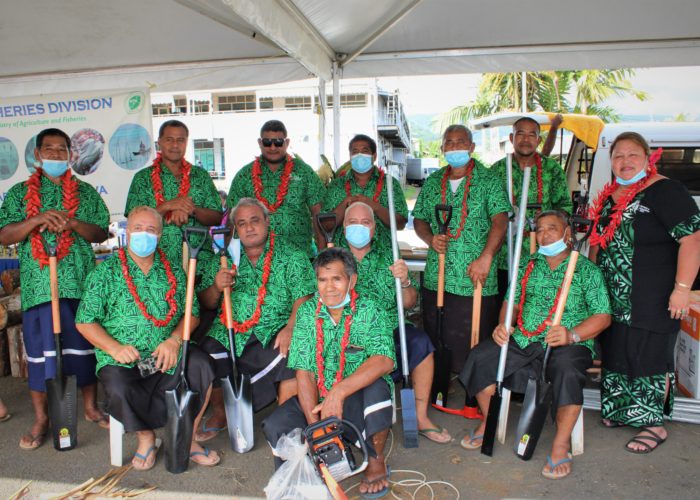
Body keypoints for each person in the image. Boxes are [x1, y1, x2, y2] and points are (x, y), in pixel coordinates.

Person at [459, 210, 612, 479]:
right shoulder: (527, 265)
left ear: (568, 233)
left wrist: (572, 335)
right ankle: (488, 420)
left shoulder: (587, 270)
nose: (543, 235)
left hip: (568, 343)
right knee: (480, 358)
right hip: (525, 337)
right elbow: (512, 303)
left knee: (567, 371)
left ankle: (561, 444)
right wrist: (504, 325)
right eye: (539, 230)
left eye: (551, 228)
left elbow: (603, 316)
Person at [76, 206, 219, 470]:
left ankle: (187, 437)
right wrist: (115, 348)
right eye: (138, 229)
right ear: (127, 232)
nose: (144, 235)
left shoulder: (174, 273)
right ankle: (146, 438)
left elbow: (193, 314)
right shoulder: (104, 273)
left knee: (202, 365)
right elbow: (85, 321)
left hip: (167, 353)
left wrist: (174, 340)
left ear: (161, 236)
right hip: (123, 357)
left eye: (151, 230)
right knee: (118, 384)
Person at [588, 132, 700, 453]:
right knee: (618, 350)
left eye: (632, 155)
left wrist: (682, 289)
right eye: (618, 156)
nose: (625, 161)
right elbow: (599, 243)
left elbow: (692, 240)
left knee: (648, 355)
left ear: (647, 158)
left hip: (652, 294)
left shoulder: (666, 191)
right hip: (613, 296)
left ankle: (653, 425)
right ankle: (622, 411)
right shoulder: (612, 195)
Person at [0, 128, 110, 450]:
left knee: (84, 349)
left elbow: (101, 232)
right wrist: (35, 220)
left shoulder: (86, 193)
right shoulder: (20, 193)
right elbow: (4, 235)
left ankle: (89, 407)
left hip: (79, 283)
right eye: (49, 149)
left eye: (62, 150)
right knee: (40, 354)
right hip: (39, 287)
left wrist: (73, 223)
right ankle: (42, 418)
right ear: (37, 154)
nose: (56, 155)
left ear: (71, 155)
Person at [262, 248, 395, 498]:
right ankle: (314, 462)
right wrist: (317, 429)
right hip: (319, 397)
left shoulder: (371, 309)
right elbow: (304, 370)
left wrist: (339, 392)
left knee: (377, 391)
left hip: (355, 394)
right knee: (275, 424)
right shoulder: (306, 313)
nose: (329, 287)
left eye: (337, 279)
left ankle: (376, 461)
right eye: (323, 280)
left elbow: (384, 360)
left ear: (351, 280)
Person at [194, 198, 315, 441]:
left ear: (267, 222)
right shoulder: (224, 257)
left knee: (291, 352)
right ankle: (221, 414)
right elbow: (206, 302)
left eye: (255, 221)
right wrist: (217, 287)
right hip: (228, 330)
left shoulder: (292, 254)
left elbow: (305, 295)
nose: (249, 228)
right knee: (207, 355)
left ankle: (286, 425)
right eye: (242, 223)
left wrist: (292, 327)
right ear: (235, 229)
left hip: (273, 329)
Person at [342, 201, 450, 443]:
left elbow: (410, 303)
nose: (359, 227)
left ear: (373, 228)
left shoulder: (389, 256)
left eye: (365, 222)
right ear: (344, 227)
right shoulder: (334, 259)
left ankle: (420, 417)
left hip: (389, 327)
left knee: (421, 342)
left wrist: (404, 282)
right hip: (347, 333)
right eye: (352, 222)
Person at [413, 124, 511, 372]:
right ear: (443, 147)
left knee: (474, 339)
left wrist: (486, 257)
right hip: (439, 277)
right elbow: (420, 218)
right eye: (450, 142)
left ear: (472, 147)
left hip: (474, 276)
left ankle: (475, 385)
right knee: (439, 335)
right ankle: (440, 385)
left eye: (461, 141)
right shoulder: (434, 181)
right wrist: (430, 239)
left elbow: (501, 220)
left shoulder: (489, 180)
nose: (455, 146)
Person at [490, 116, 573, 303]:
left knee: (535, 307)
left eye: (531, 134)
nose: (526, 139)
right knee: (505, 309)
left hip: (542, 256)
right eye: (520, 134)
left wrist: (549, 219)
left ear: (538, 140)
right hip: (504, 256)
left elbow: (565, 206)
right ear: (511, 138)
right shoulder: (496, 171)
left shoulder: (552, 169)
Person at [125, 120, 222, 267]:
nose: (175, 145)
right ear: (160, 142)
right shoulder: (142, 178)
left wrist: (191, 209)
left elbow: (217, 217)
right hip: (156, 264)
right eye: (169, 140)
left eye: (180, 140)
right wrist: (167, 207)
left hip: (200, 262)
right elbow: (133, 221)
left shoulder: (200, 176)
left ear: (186, 142)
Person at [227, 120, 326, 258]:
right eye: (267, 142)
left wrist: (323, 255)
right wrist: (230, 257)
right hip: (256, 259)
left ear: (287, 142)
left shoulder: (304, 172)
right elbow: (231, 217)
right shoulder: (244, 175)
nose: (273, 147)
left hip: (300, 257)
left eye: (278, 142)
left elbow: (319, 214)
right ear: (260, 143)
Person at [322, 134, 408, 249]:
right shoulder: (337, 185)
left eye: (364, 151)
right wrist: (345, 204)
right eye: (355, 151)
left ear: (374, 156)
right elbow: (326, 225)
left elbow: (400, 223)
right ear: (350, 156)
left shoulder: (390, 184)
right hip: (343, 257)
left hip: (382, 257)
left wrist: (375, 206)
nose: (359, 155)